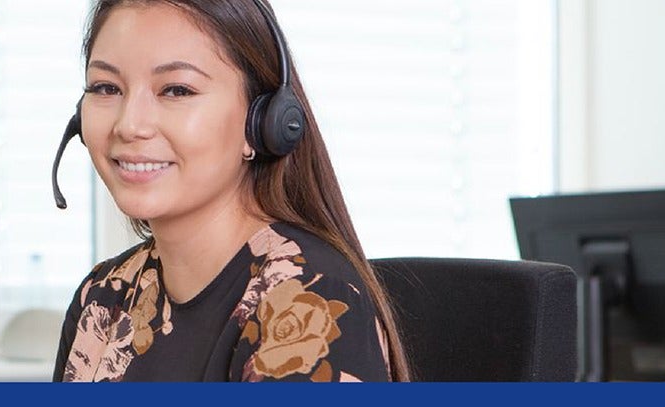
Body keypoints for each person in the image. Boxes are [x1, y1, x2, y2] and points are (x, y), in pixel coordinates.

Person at [53, 0, 410, 382]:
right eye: (106, 87)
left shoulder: (305, 299)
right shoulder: (104, 297)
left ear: (262, 120)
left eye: (176, 90)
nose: (129, 125)